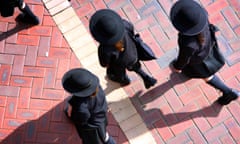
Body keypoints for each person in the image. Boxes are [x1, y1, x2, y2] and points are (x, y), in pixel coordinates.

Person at [170, 0, 239, 105]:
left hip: (199, 60)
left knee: (206, 75)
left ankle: (228, 92)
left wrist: (177, 67)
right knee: (203, 71)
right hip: (208, 46)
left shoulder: (187, 42)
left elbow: (184, 57)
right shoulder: (203, 17)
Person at [89, 9, 157, 89]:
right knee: (135, 66)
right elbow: (132, 31)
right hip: (132, 54)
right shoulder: (125, 25)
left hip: (119, 64)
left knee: (119, 74)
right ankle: (147, 78)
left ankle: (125, 81)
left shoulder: (104, 48)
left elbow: (104, 63)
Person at [62, 68, 116, 144]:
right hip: (101, 117)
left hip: (93, 128)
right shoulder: (97, 87)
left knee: (100, 139)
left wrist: (72, 113)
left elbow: (82, 120)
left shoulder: (81, 106)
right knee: (105, 136)